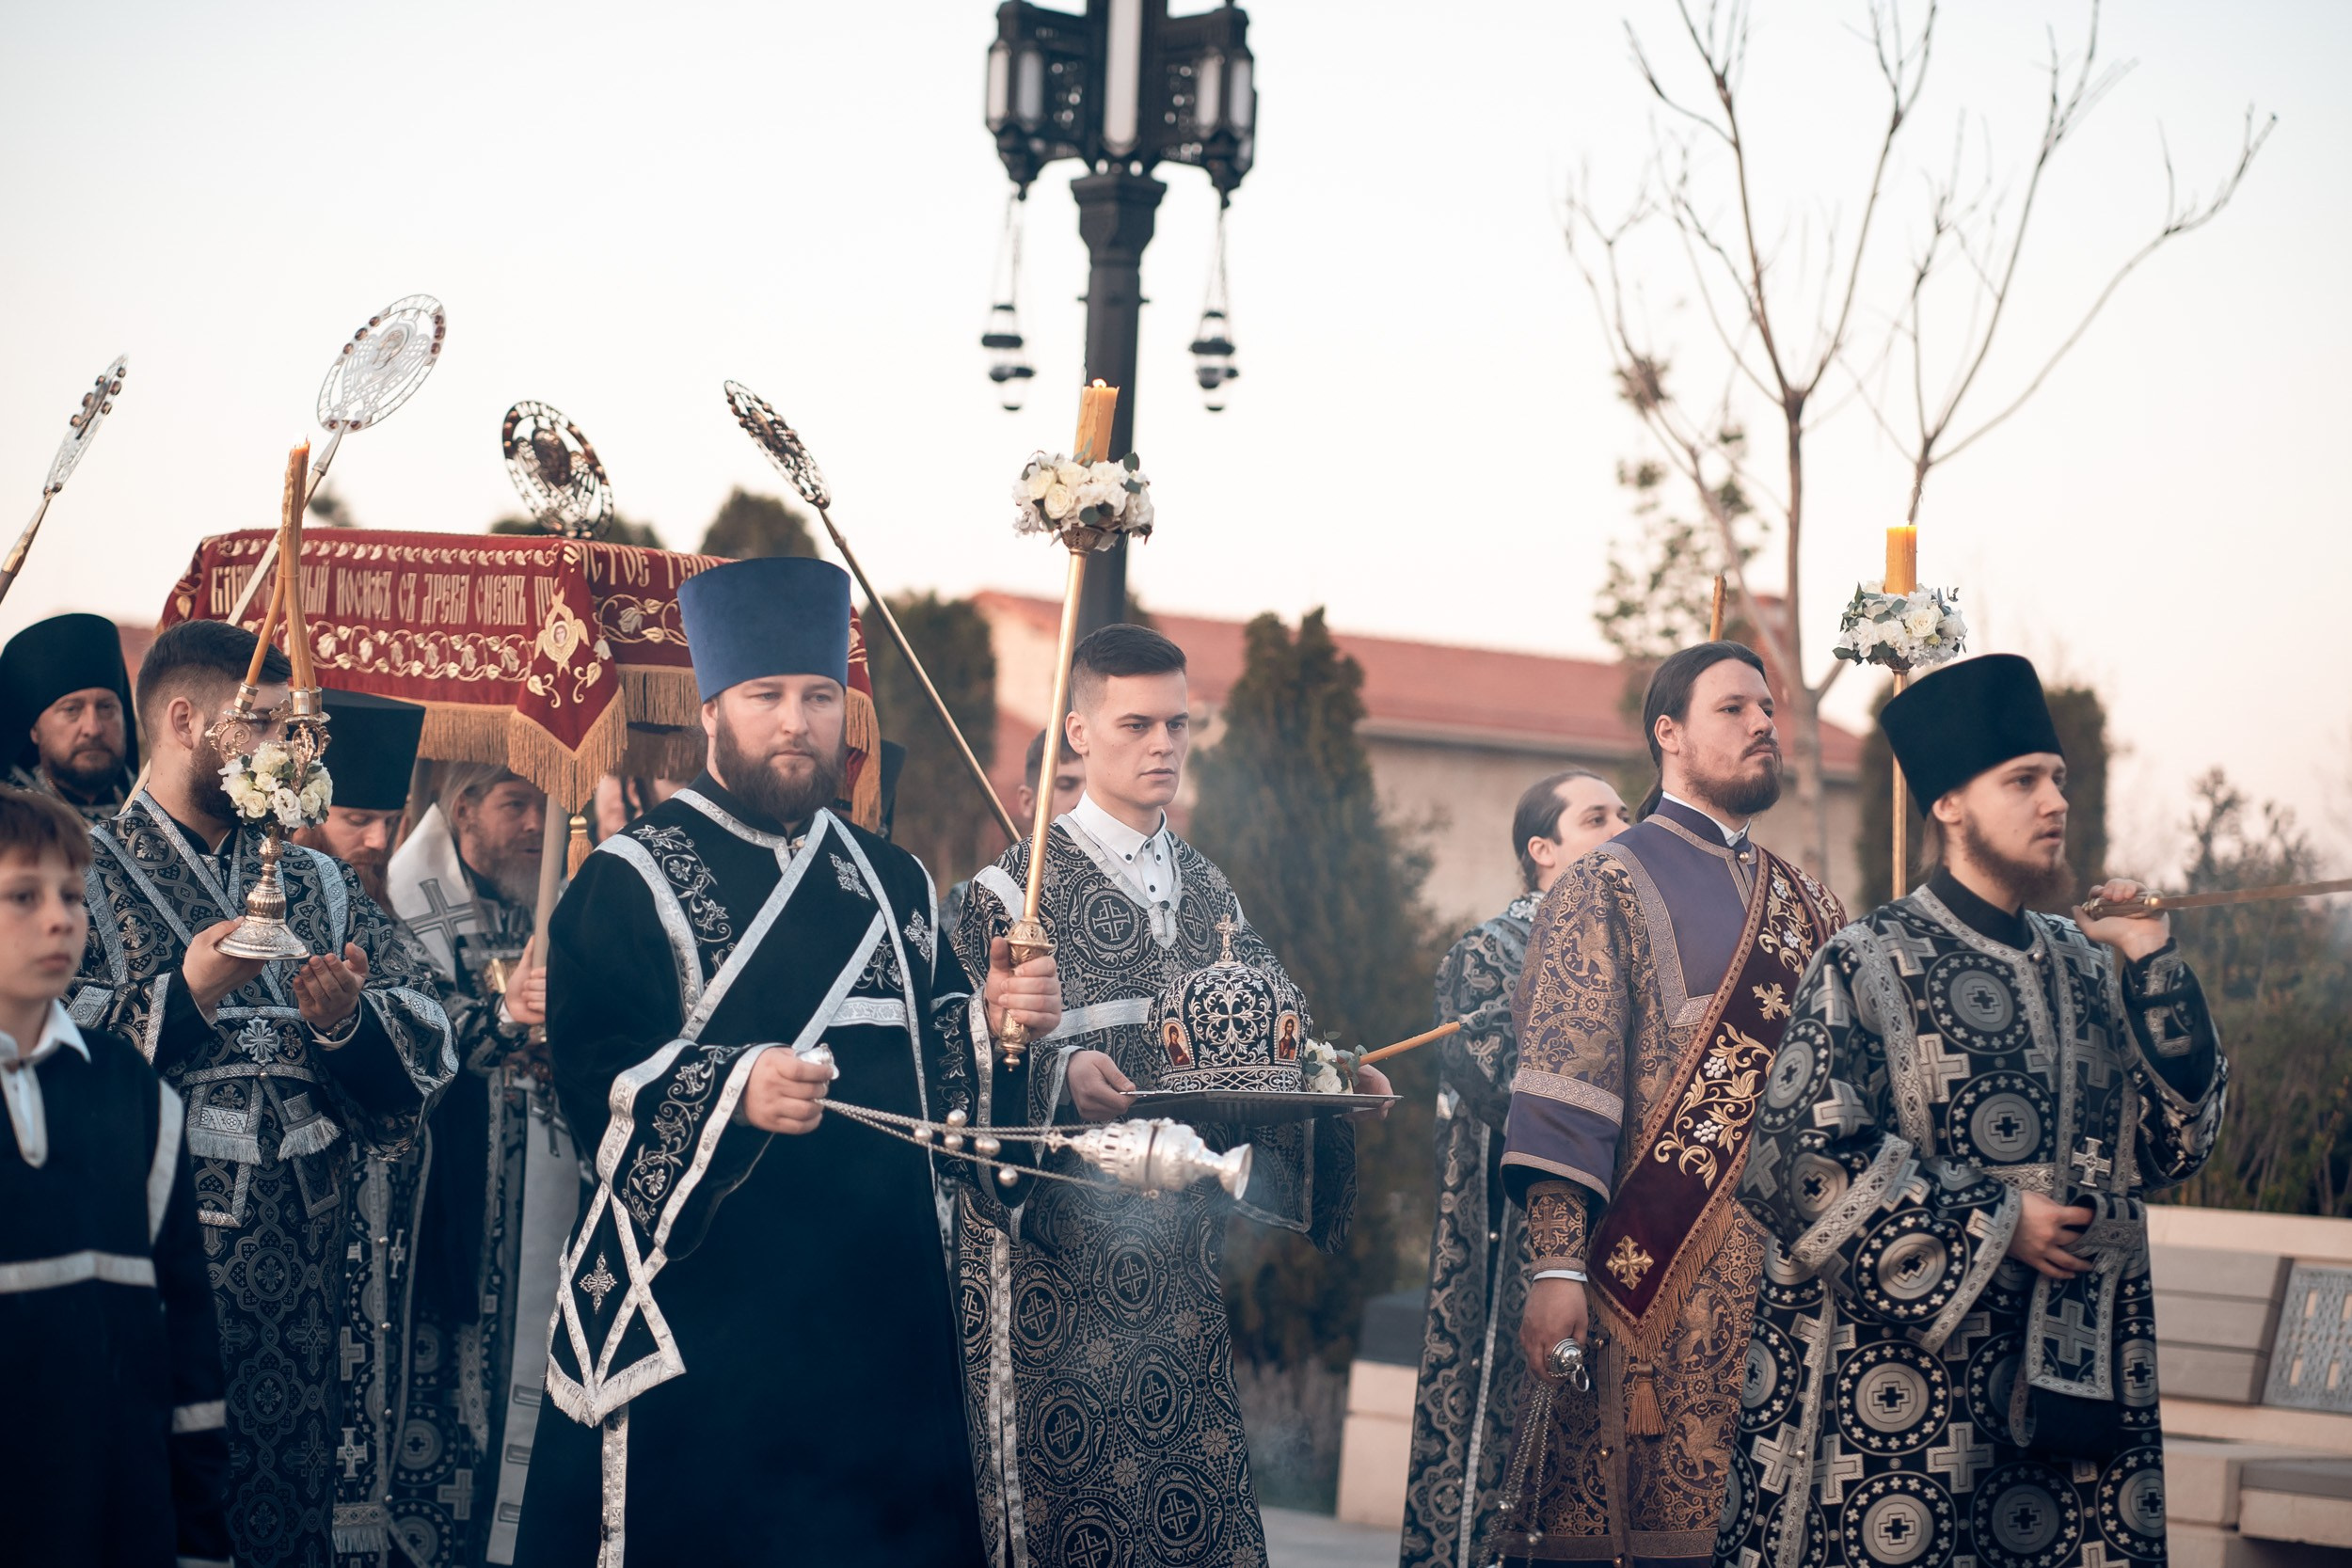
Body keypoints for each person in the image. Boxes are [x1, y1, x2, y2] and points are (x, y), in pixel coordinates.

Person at [513, 556, 1059, 1566]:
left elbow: (947, 1092)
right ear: (712, 709)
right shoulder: (628, 880)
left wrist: (1001, 1028)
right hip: (715, 1324)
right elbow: (596, 1085)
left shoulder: (893, 879)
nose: (796, 722)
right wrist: (733, 1087)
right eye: (766, 696)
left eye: (818, 696)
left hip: (874, 1320)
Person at [1714, 654, 2226, 1568]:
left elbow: (2172, 1144)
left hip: (2067, 1392)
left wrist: (2152, 960)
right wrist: (1995, 1220)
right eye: (2023, 780)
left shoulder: (2087, 963)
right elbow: (1796, 1162)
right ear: (1949, 803)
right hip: (1903, 1398)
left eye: (2058, 779)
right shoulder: (1865, 961)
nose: (2055, 801)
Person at [954, 623, 1390, 1568]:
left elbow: (1266, 1045)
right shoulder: (1003, 894)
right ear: (1077, 732)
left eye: (1179, 724)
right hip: (1052, 1294)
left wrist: (1330, 1080)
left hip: (1183, 1290)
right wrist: (1054, 1074)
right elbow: (950, 1074)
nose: (1164, 745)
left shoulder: (1209, 891)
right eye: (1137, 724)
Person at [70, 620, 455, 1568]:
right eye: (269, 726)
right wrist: (185, 995)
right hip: (156, 1257)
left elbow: (427, 1016)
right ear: (185, 721)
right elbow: (37, 1038)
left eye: (293, 728)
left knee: (287, 1516)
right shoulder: (78, 869)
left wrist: (347, 1023)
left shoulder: (319, 880)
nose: (289, 749)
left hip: (310, 1273)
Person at [1498, 641, 1843, 1568]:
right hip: (1646, 1302)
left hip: (1795, 1298)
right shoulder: (1603, 882)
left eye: (1768, 708)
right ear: (1669, 733)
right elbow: (1565, 1088)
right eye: (1734, 708)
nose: (1763, 723)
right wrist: (1555, 1266)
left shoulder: (1814, 903)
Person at [1401, 768, 1630, 1568]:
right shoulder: (1487, 952)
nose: (1621, 828)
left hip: (1622, 1238)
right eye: (1596, 817)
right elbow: (1501, 1084)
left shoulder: (1636, 951)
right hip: (1511, 1238)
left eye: (1625, 813)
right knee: (1498, 1459)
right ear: (1543, 848)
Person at [0, 786, 232, 1567]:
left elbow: (184, 1329)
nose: (60, 919)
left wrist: (199, 1542)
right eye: (23, 896)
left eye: (72, 895)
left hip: (119, 1519)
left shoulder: (129, 1090)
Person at [381, 759, 564, 1567]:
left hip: (538, 1194)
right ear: (463, 811)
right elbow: (419, 1019)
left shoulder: (549, 900)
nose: (534, 825)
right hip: (448, 1201)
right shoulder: (408, 898)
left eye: (541, 806)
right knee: (443, 1395)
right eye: (515, 804)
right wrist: (504, 1017)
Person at [943, 726, 1084, 941]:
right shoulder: (976, 901)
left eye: (1095, 792)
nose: (1082, 801)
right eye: (1066, 785)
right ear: (1028, 802)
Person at [0, 610, 139, 820]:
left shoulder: (153, 806)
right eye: (71, 709)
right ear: (35, 729)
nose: (93, 728)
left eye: (106, 707)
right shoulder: (11, 819)